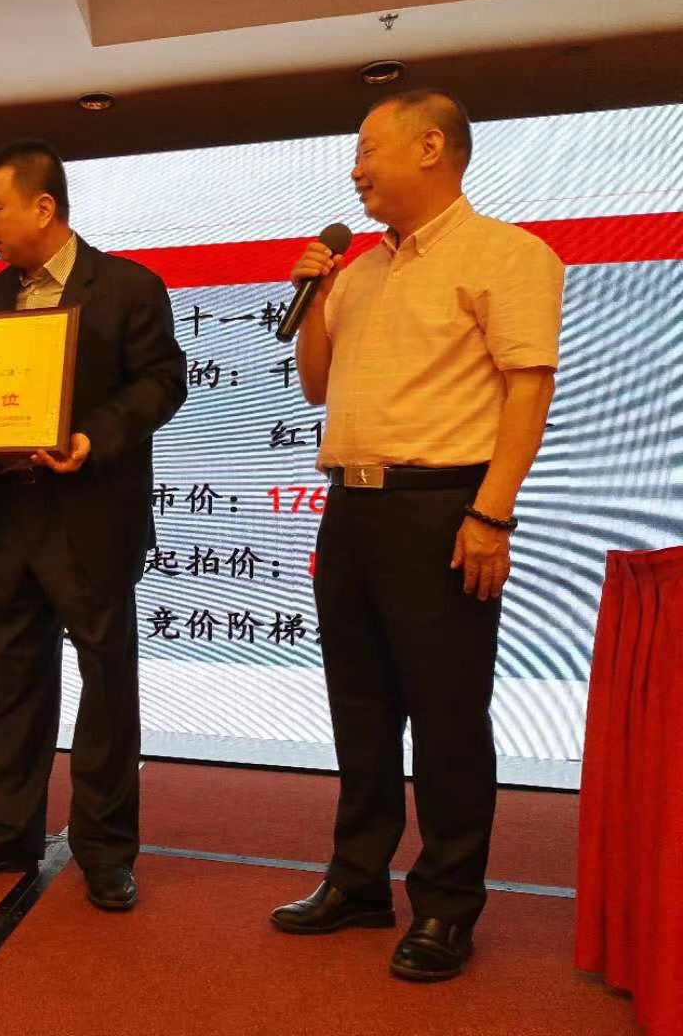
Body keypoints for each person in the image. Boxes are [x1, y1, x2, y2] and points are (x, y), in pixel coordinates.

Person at [269, 90, 563, 981]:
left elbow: (529, 388)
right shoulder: (356, 272)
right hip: (351, 509)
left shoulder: (508, 255)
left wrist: (492, 513)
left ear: (431, 147)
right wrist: (318, 295)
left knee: (446, 719)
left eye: (367, 148)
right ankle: (358, 880)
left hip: (444, 509)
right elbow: (316, 386)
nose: (354, 167)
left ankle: (446, 905)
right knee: (360, 713)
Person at [0, 140, 186, 910]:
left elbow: (163, 382)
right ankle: (8, 833)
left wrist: (91, 438)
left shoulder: (127, 286)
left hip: (92, 515)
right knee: (14, 679)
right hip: (11, 515)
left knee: (106, 685)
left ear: (43, 208)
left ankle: (105, 850)